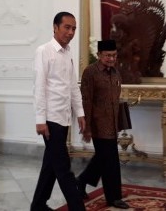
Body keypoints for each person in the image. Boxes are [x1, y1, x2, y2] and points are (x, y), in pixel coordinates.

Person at [30, 11, 86, 211]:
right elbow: (39, 87)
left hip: (64, 118)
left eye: (74, 29)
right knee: (63, 169)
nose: (70, 32)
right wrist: (40, 119)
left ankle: (37, 206)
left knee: (50, 166)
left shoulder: (69, 53)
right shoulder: (43, 51)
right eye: (67, 27)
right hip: (50, 119)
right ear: (55, 27)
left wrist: (80, 112)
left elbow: (72, 86)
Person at [76, 40, 130, 209]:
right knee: (110, 161)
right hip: (98, 124)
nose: (111, 59)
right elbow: (86, 100)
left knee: (103, 158)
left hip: (112, 125)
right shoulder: (90, 72)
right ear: (99, 55)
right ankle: (114, 198)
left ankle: (81, 181)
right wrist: (87, 127)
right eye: (107, 55)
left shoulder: (115, 72)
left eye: (114, 55)